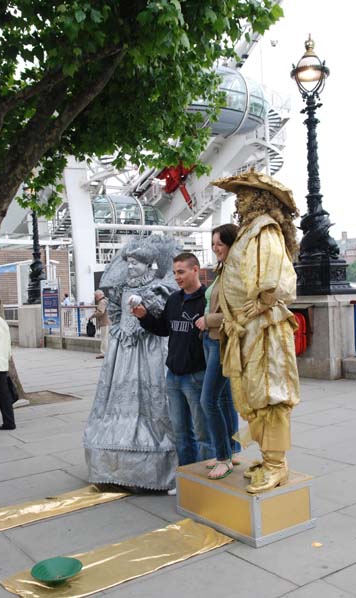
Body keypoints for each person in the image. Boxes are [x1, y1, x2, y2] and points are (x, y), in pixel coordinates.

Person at [211, 170, 300, 494]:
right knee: (254, 395)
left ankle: (276, 465)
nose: (240, 198)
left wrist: (255, 308)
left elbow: (274, 281)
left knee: (269, 394)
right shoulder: (251, 229)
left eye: (246, 193)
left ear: (261, 198)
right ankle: (269, 458)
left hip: (263, 330)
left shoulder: (264, 229)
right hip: (249, 330)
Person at [83, 236, 179, 491]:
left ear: (149, 265)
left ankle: (158, 466)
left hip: (149, 352)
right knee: (117, 401)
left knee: (152, 402)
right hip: (122, 354)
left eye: (136, 263)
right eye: (129, 262)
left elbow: (161, 319)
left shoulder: (159, 287)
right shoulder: (122, 289)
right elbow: (115, 313)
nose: (130, 267)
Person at [133, 252, 215, 485]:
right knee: (181, 433)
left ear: (195, 270)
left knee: (203, 434)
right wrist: (144, 316)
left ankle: (207, 482)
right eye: (175, 272)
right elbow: (163, 329)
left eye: (181, 272)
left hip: (197, 376)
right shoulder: (173, 300)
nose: (177, 277)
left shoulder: (207, 300)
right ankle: (187, 481)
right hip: (174, 377)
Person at [194, 224, 240, 480]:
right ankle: (229, 453)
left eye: (219, 244)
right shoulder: (224, 270)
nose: (215, 249)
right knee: (221, 400)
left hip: (222, 341)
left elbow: (239, 313)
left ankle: (223, 457)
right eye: (213, 245)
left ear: (232, 244)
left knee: (207, 400)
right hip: (211, 341)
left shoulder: (237, 273)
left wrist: (208, 320)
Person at [0, 295, 16, 430]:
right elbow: (8, 343)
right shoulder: (1, 320)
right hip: (1, 363)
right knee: (4, 394)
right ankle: (9, 422)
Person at [89, 289, 110, 359]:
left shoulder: (102, 302)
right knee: (107, 337)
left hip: (104, 322)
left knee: (104, 338)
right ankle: (108, 352)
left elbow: (101, 312)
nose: (95, 298)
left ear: (99, 295)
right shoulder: (106, 300)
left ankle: (103, 352)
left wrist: (93, 315)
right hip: (109, 321)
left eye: (96, 296)